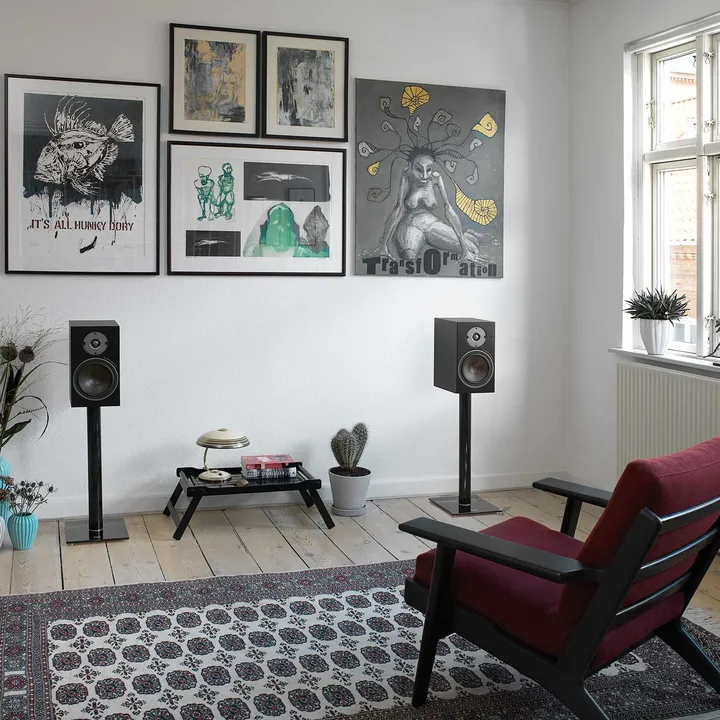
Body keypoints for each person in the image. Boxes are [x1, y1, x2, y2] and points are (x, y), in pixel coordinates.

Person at [364, 148, 489, 263]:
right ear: (411, 166)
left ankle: (467, 235)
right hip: (409, 225)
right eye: (419, 169)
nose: (424, 175)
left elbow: (448, 209)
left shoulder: (435, 178)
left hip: (430, 224)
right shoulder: (406, 176)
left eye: (428, 169)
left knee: (472, 249)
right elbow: (399, 209)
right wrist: (383, 245)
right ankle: (466, 235)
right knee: (409, 256)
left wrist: (464, 249)